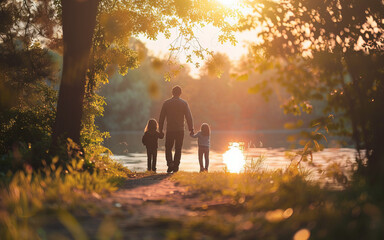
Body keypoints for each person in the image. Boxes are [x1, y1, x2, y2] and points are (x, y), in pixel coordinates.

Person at [159, 86, 194, 173]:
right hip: (180, 130)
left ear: (172, 92)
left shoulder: (166, 103)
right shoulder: (184, 103)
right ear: (180, 93)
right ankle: (176, 166)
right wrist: (191, 129)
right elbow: (189, 117)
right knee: (178, 148)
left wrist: (160, 129)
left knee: (168, 148)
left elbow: (161, 117)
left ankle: (170, 164)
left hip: (170, 130)